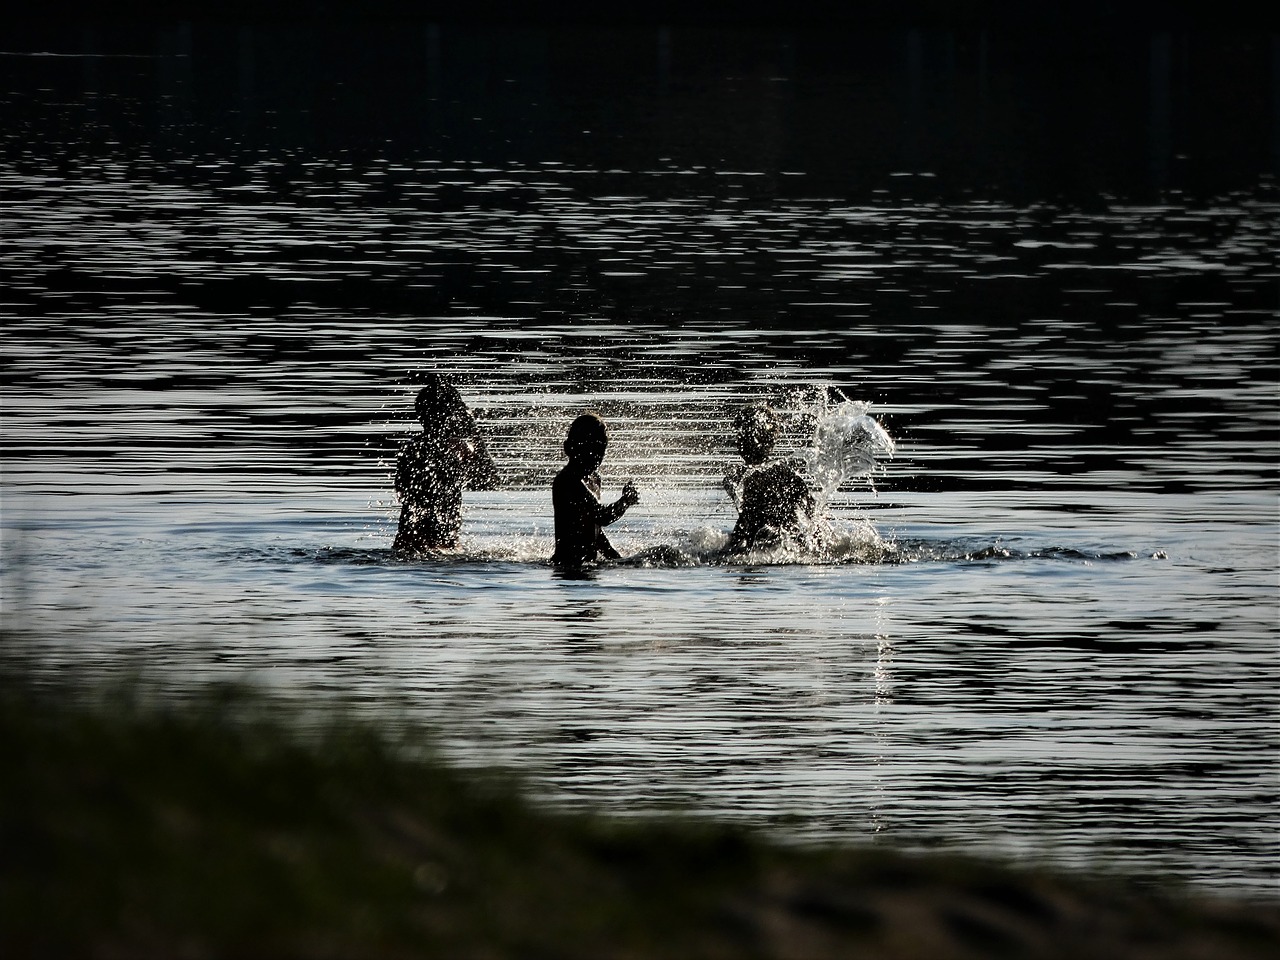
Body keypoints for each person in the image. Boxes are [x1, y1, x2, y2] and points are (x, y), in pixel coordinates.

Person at [392, 374, 498, 554]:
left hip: (408, 541)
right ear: (453, 414)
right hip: (444, 543)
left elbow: (401, 491)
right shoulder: (458, 449)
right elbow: (490, 481)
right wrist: (474, 432)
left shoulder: (411, 449)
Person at [724, 402, 819, 552]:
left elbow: (745, 523)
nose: (738, 441)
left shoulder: (736, 478)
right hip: (785, 543)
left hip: (778, 543)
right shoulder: (787, 474)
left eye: (743, 435)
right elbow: (813, 513)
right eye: (739, 435)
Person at [551, 413, 640, 567]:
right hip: (566, 566)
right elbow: (601, 516)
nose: (597, 456)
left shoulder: (594, 480)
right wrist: (624, 502)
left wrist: (618, 559)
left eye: (601, 449)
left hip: (588, 567)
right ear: (576, 447)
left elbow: (595, 530)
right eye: (592, 448)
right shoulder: (567, 481)